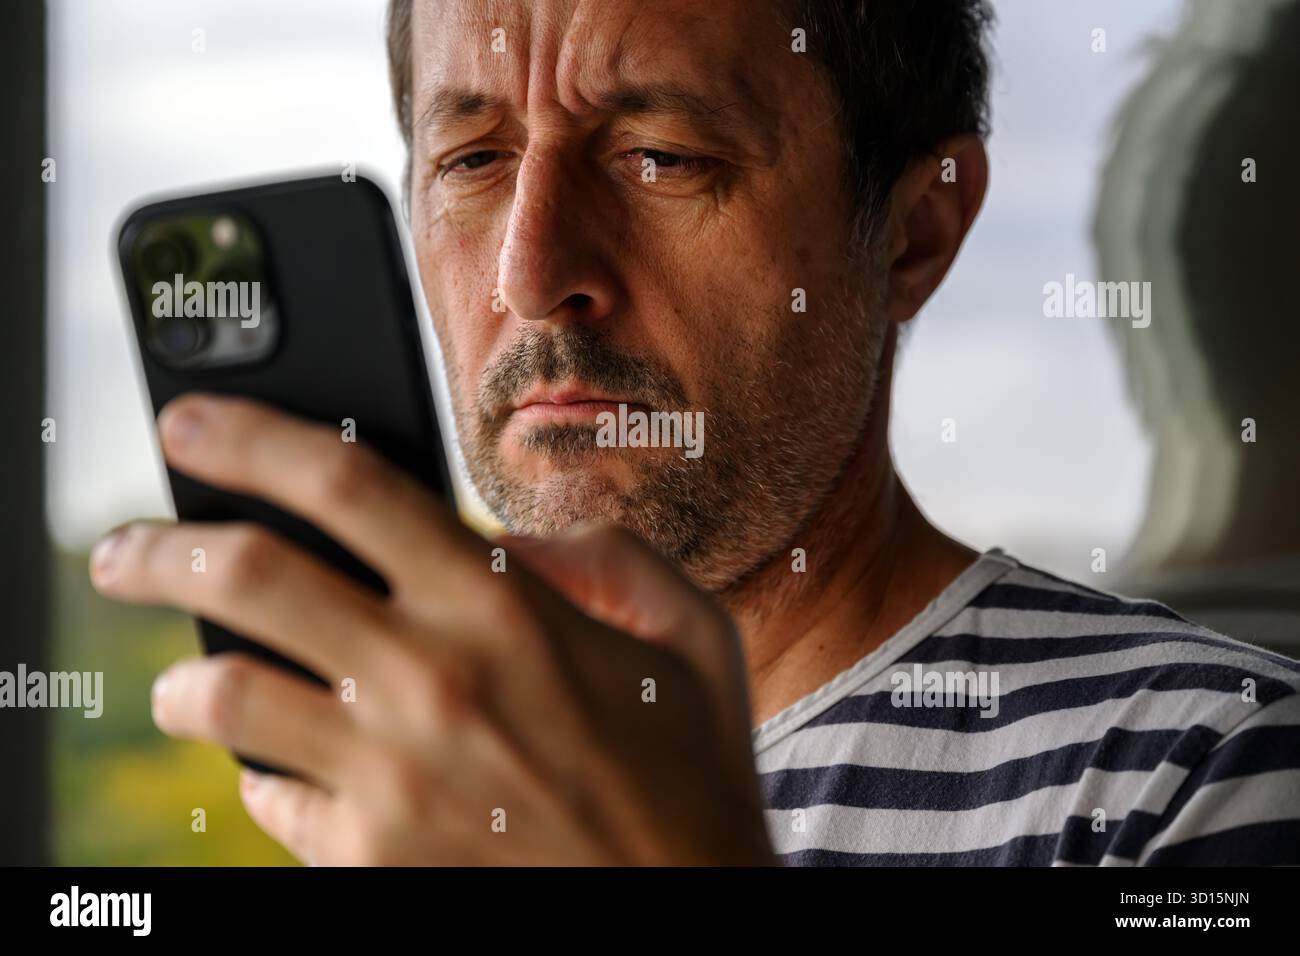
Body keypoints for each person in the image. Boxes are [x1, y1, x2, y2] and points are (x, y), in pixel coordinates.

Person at [90, 0, 1300, 865]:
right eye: (472, 160)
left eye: (662, 157)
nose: (530, 273)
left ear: (914, 234)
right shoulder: (399, 805)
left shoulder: (1206, 771)